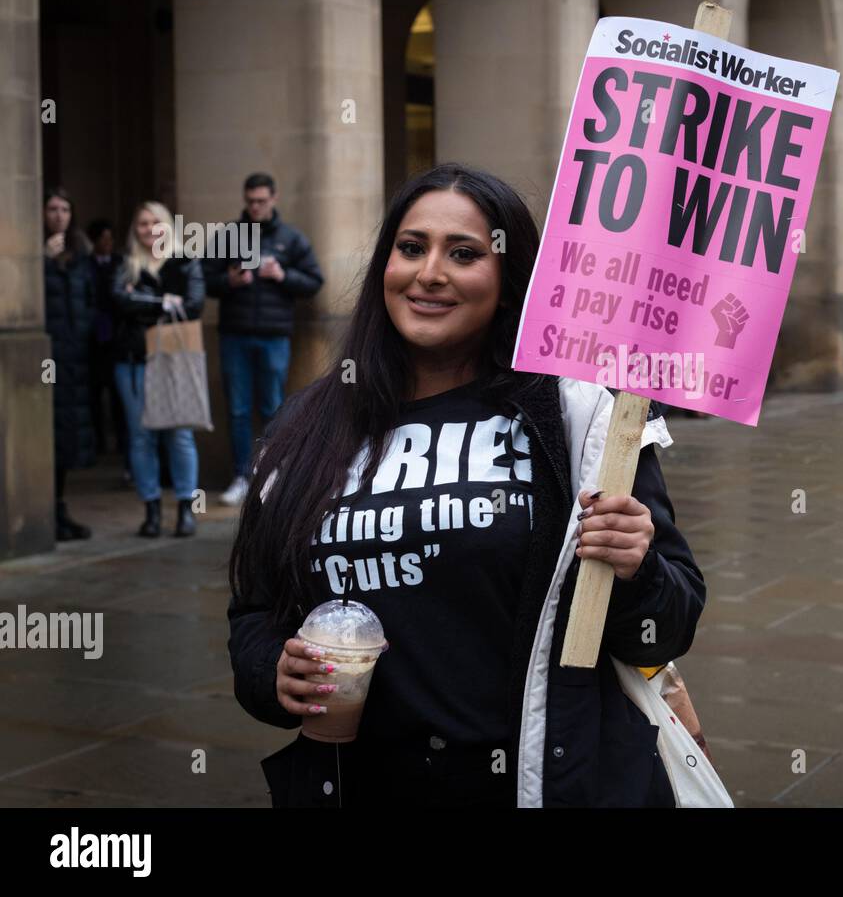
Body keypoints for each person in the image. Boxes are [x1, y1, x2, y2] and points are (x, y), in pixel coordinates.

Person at [227, 163, 706, 808]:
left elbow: (666, 627)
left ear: (510, 280)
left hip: (540, 784)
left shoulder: (581, 418)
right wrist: (272, 674)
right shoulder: (307, 426)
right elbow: (256, 610)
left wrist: (636, 567)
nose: (430, 274)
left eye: (464, 254)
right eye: (411, 247)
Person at [203, 173, 324, 507]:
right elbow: (204, 279)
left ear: (274, 198)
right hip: (235, 333)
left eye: (261, 200)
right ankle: (242, 475)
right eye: (250, 201)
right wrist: (229, 280)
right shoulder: (230, 235)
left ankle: (270, 472)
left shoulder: (291, 238)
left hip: (274, 335)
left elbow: (314, 280)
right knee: (239, 409)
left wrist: (282, 276)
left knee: (273, 406)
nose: (255, 206)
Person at [112, 202, 206, 537]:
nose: (149, 229)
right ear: (134, 230)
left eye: (156, 223)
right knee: (141, 436)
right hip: (134, 360)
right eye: (142, 224)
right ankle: (151, 509)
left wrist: (141, 299)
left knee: (179, 433)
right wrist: (163, 302)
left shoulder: (185, 262)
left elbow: (195, 305)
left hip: (173, 359)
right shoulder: (125, 264)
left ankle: (186, 508)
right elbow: (118, 303)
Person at [42, 187, 96, 540]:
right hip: (47, 358)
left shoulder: (82, 254)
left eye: (65, 208)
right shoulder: (34, 255)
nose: (59, 215)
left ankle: (60, 509)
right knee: (47, 437)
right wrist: (43, 261)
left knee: (66, 440)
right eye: (52, 208)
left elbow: (92, 300)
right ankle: (46, 512)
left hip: (74, 359)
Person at [86, 218, 130, 483]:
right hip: (94, 339)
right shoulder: (86, 264)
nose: (107, 243)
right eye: (103, 238)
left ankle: (124, 455)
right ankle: (97, 443)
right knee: (93, 396)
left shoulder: (120, 264)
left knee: (119, 402)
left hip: (117, 339)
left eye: (110, 238)